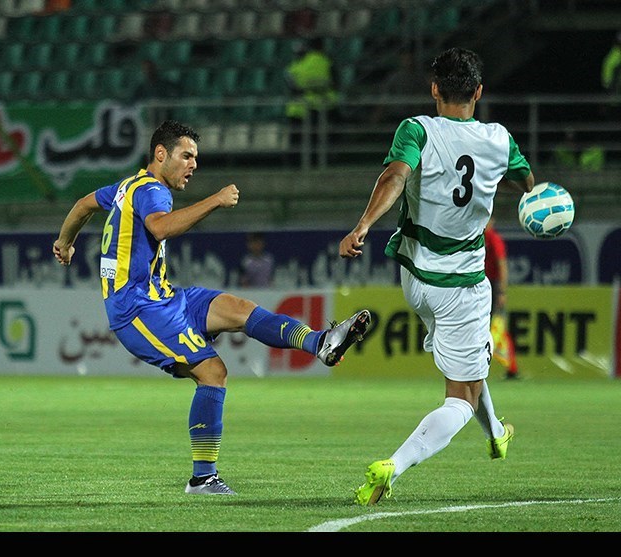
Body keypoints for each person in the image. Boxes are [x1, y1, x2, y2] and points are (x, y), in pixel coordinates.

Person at [53, 120, 372, 495]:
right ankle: (203, 478)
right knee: (213, 372)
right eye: (187, 156)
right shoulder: (153, 191)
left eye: (195, 157)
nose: (194, 164)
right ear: (161, 154)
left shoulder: (127, 187)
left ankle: (320, 342)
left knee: (238, 308)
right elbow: (161, 228)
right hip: (138, 309)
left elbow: (83, 205)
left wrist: (64, 242)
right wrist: (216, 200)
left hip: (166, 296)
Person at [338, 47, 535, 506]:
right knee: (461, 399)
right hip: (461, 285)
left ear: (434, 90)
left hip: (414, 278)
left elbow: (394, 177)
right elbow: (526, 182)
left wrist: (362, 226)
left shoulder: (417, 129)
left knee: (473, 366)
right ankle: (394, 465)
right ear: (479, 92)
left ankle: (496, 434)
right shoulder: (499, 139)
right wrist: (525, 194)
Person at [284, 38, 340, 166]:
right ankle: (324, 162)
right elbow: (336, 81)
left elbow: (294, 87)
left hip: (304, 107)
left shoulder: (296, 66)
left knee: (300, 139)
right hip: (325, 104)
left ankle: (296, 164)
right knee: (322, 137)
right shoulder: (326, 60)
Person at [485, 216, 519, 380]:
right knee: (493, 328)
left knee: (496, 327)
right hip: (482, 284)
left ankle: (511, 367)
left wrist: (501, 292)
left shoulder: (494, 239)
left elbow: (502, 264)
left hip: (492, 286)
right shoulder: (479, 237)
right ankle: (511, 368)